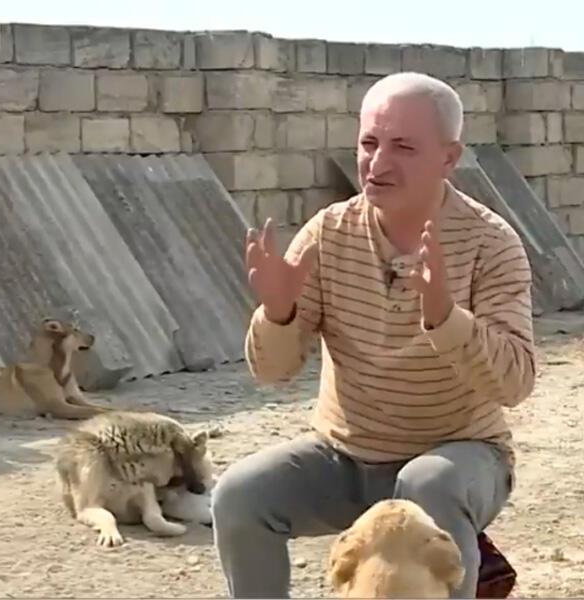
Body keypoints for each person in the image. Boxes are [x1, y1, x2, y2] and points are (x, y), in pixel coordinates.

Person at [211, 71, 536, 599]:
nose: (378, 163)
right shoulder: (328, 233)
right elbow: (272, 372)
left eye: (403, 147)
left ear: (449, 158)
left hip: (461, 457)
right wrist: (278, 313)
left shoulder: (490, 244)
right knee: (239, 496)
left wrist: (446, 318)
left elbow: (516, 383)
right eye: (369, 143)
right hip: (345, 456)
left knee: (428, 485)